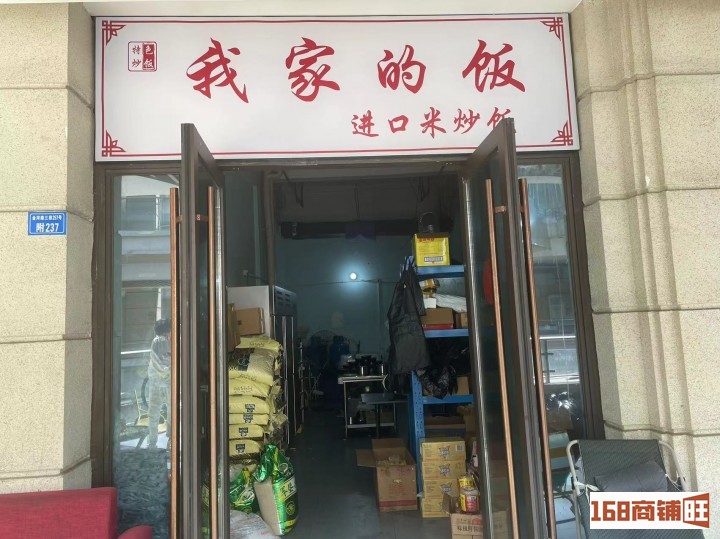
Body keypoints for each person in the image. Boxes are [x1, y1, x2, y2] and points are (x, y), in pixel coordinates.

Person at [147, 318, 171, 449]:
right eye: (166, 334)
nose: (167, 336)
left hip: (165, 382)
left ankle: (170, 438)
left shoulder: (171, 340)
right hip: (158, 382)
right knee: (155, 411)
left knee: (170, 410)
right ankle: (152, 442)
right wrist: (167, 371)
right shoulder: (156, 342)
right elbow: (155, 362)